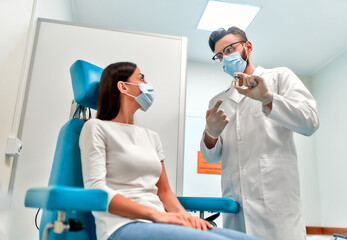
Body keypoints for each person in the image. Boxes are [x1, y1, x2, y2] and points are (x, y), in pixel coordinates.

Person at [79, 62, 261, 240]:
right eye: (141, 79)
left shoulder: (151, 137)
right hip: (122, 226)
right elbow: (96, 189)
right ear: (123, 87)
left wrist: (186, 217)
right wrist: (157, 215)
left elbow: (164, 192)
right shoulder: (95, 128)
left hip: (160, 222)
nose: (147, 85)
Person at [200, 26, 320, 240]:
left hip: (277, 207)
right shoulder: (219, 101)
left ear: (248, 47)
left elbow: (310, 121)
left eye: (229, 49)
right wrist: (211, 135)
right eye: (219, 55)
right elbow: (212, 156)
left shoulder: (279, 77)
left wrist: (268, 99)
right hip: (235, 208)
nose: (225, 58)